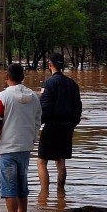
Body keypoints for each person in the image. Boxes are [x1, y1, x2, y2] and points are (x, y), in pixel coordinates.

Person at [0, 63, 42, 212]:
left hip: (7, 148)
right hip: (25, 147)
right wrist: (31, 138)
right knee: (22, 185)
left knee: (9, 188)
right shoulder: (34, 97)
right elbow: (38, 122)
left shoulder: (3, 96)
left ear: (7, 77)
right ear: (23, 77)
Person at [37, 52, 82, 196]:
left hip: (51, 127)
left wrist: (38, 124)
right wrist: (72, 125)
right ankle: (61, 193)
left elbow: (44, 107)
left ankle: (44, 194)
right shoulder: (72, 84)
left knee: (42, 162)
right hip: (66, 127)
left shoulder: (48, 83)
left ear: (50, 65)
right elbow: (78, 108)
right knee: (60, 161)